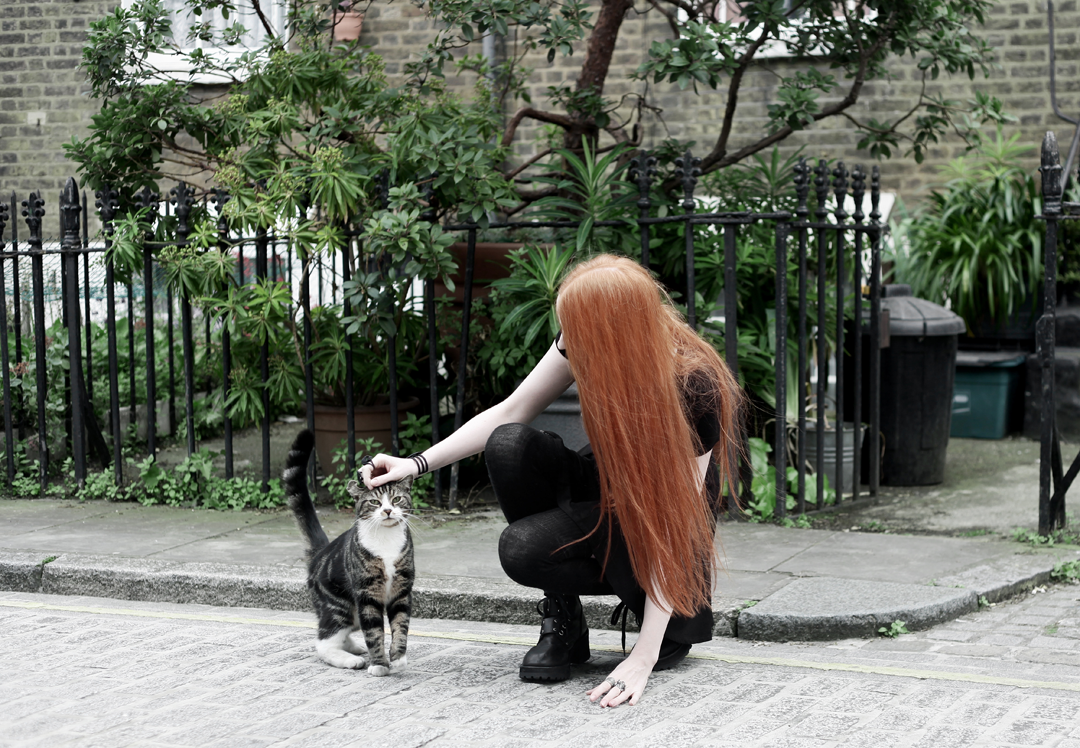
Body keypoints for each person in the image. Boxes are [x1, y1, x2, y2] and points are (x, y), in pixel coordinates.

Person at [361, 253, 743, 707]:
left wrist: (644, 654)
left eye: (577, 331)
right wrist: (416, 463)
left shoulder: (694, 387)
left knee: (523, 545)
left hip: (664, 519)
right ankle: (563, 618)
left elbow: (674, 531)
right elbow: (509, 412)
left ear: (614, 333)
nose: (567, 343)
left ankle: (651, 613)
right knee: (509, 444)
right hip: (608, 484)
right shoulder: (581, 340)